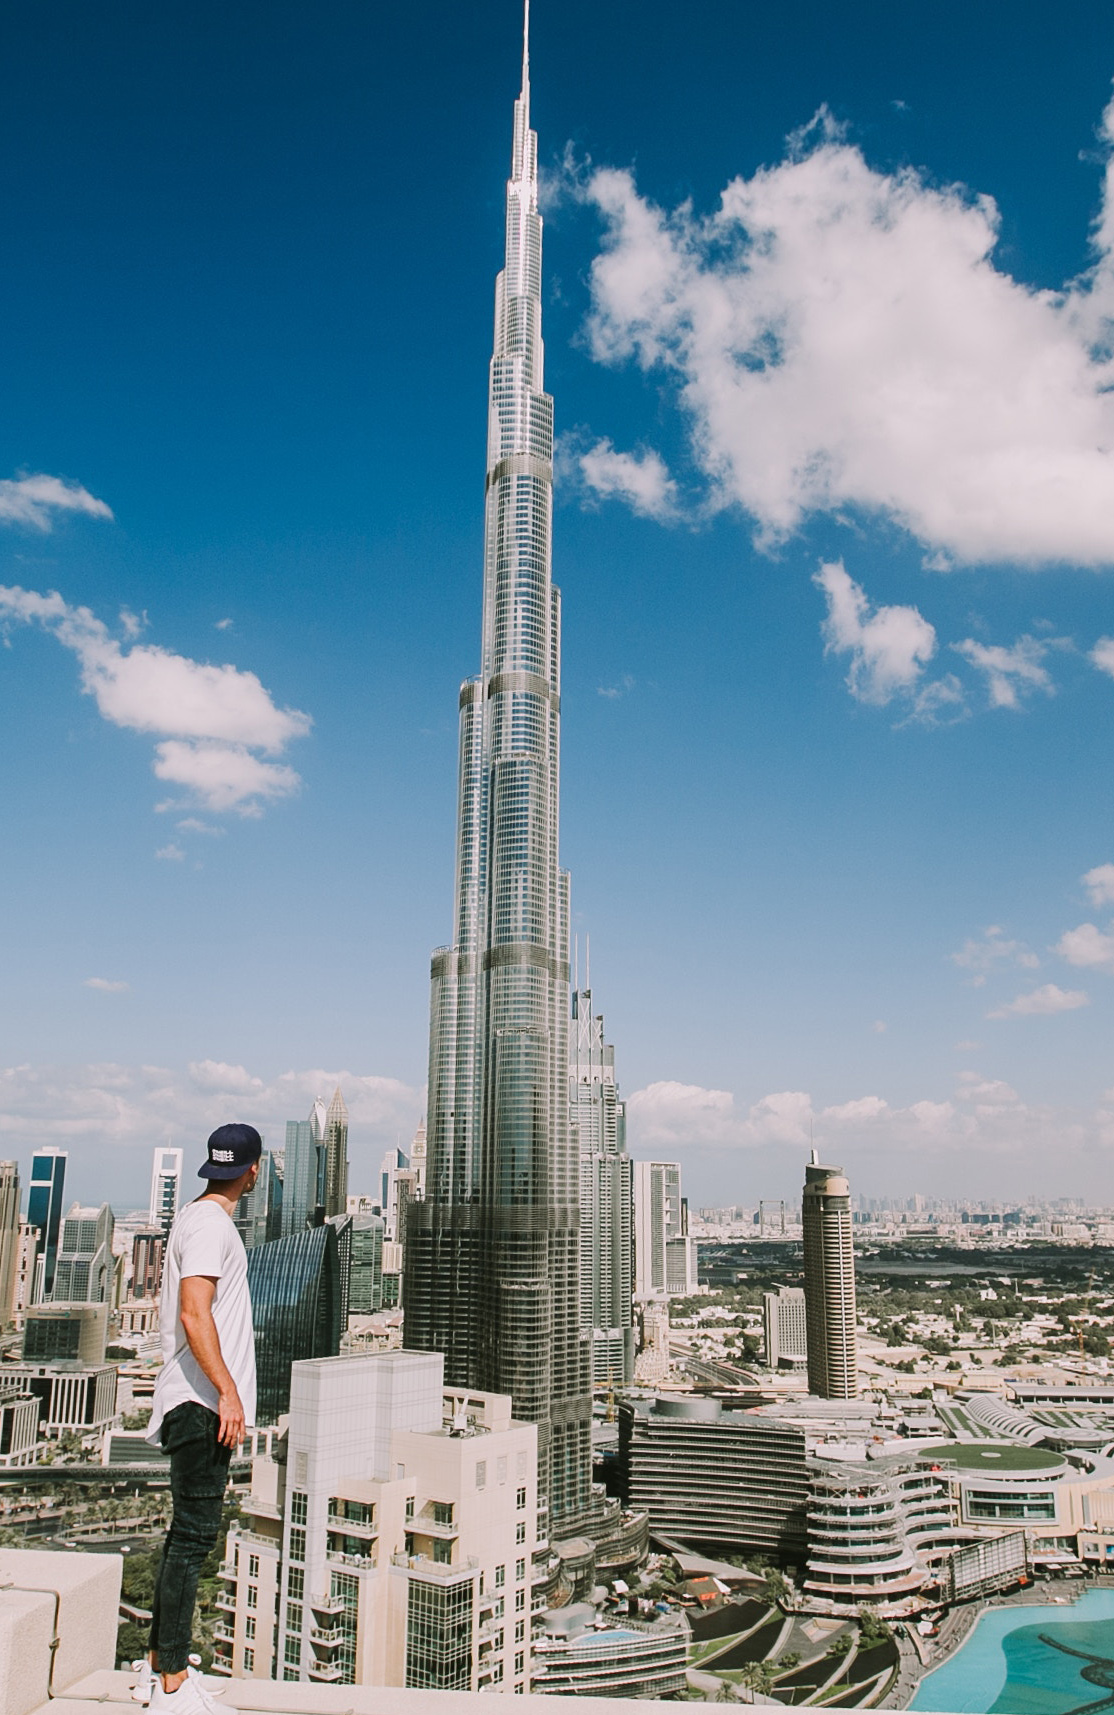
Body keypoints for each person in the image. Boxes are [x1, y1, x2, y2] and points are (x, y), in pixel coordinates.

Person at [134, 1123, 261, 1715]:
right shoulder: (212, 1226)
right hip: (199, 1404)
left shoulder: (194, 1216)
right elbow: (194, 1313)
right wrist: (227, 1393)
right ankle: (173, 1687)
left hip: (193, 1399)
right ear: (253, 1172)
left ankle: (163, 1667)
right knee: (191, 1539)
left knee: (182, 1537)